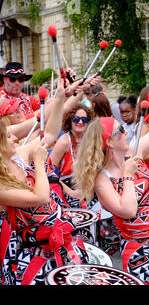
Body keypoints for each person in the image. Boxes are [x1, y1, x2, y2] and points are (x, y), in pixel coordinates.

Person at [73, 76, 149, 284]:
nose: (124, 131)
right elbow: (128, 211)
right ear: (110, 143)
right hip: (144, 254)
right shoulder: (102, 180)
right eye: (119, 130)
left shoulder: (134, 151)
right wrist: (129, 175)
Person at [1, 76, 89, 285]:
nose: (15, 138)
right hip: (34, 252)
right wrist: (39, 163)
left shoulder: (19, 156)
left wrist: (60, 98)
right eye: (9, 136)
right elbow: (40, 197)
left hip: (60, 239)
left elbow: (49, 135)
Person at [49, 104, 94, 208]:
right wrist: (69, 191)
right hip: (66, 190)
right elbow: (48, 171)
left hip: (87, 189)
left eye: (84, 119)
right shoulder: (64, 141)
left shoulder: (90, 140)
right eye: (76, 119)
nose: (80, 122)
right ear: (70, 120)